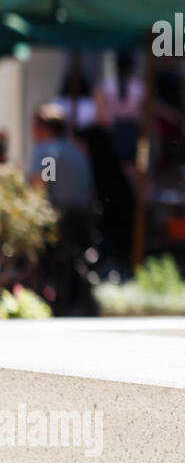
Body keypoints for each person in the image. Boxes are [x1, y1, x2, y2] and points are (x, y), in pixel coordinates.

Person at [27, 104, 96, 313]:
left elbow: (40, 185)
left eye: (35, 128)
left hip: (60, 219)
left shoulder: (46, 150)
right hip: (83, 219)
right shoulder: (77, 151)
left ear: (43, 129)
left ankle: (39, 299)